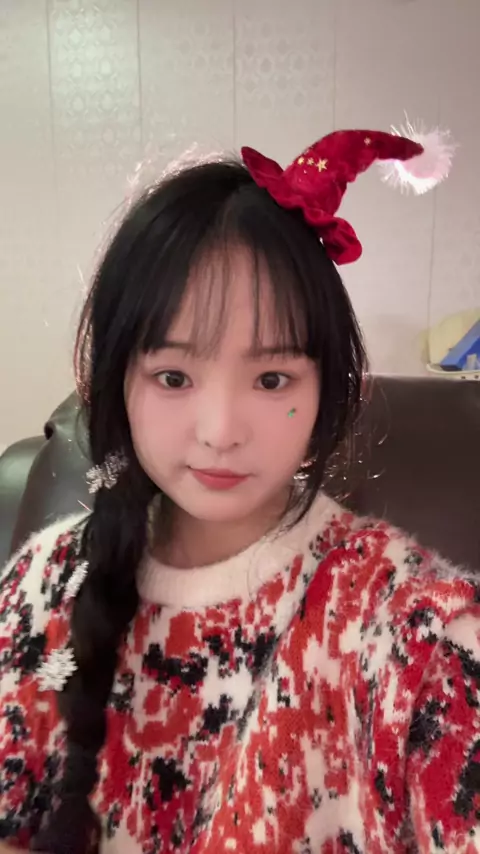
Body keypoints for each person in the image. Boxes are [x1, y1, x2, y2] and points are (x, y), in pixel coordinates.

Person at [0, 127, 478, 854]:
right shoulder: (45, 586)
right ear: (116, 382)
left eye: (272, 379)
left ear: (326, 389)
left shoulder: (410, 623)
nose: (221, 431)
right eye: (173, 377)